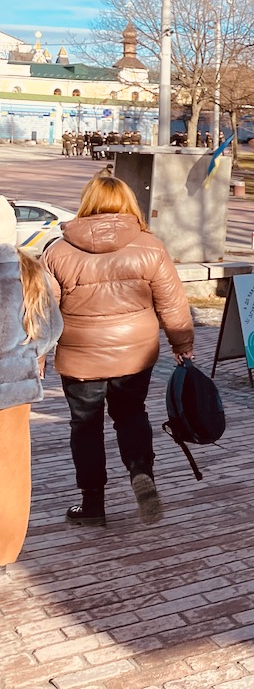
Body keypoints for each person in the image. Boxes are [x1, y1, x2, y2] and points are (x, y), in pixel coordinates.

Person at [41, 176, 194, 527]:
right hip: (134, 353)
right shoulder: (150, 246)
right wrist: (182, 344)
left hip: (80, 356)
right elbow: (172, 303)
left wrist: (38, 356)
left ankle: (92, 504)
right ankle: (142, 472)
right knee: (130, 414)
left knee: (85, 426)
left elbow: (43, 312)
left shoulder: (57, 251)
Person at [1, 198, 65, 565]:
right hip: (13, 390)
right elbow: (48, 330)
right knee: (8, 477)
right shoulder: (29, 271)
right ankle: (3, 552)